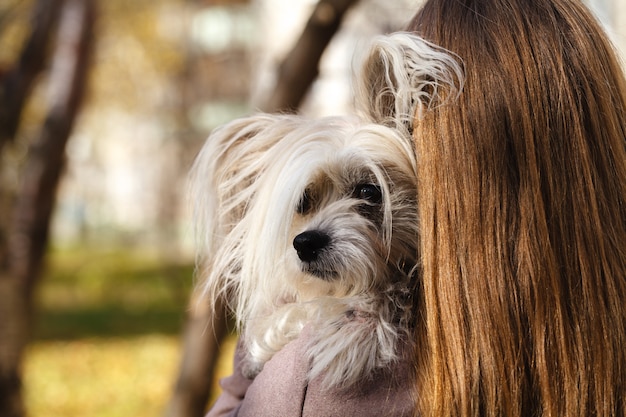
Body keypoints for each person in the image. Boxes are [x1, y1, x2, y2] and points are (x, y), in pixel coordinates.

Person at [205, 0, 626, 415]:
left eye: (369, 196)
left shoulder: (324, 381)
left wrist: (265, 371)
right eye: (305, 203)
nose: (312, 231)